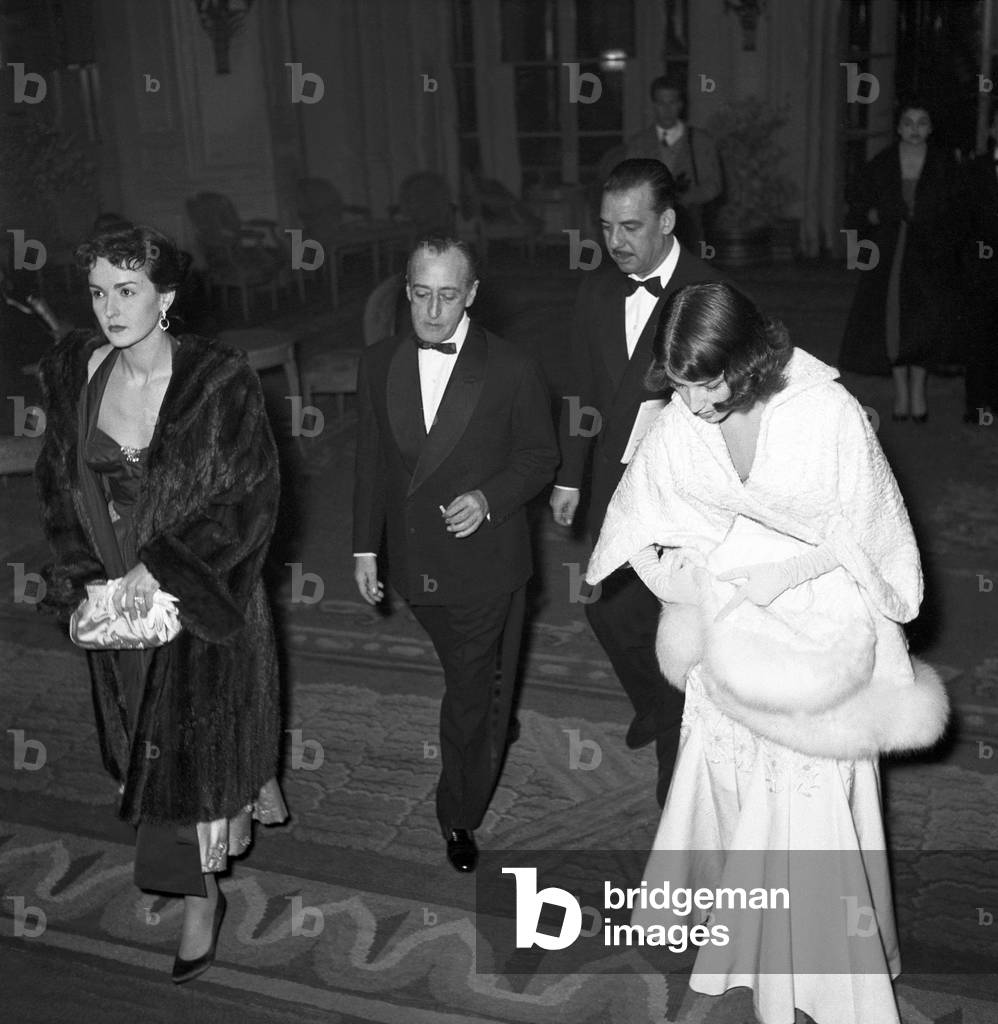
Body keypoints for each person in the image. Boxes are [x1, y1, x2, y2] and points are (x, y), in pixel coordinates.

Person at [586, 282, 948, 1024]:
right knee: (732, 783)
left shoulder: (828, 412)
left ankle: (816, 977)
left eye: (707, 384)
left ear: (747, 361)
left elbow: (872, 536)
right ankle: (737, 946)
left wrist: (789, 573)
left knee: (806, 801)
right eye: (679, 385)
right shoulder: (682, 416)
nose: (691, 403)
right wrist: (685, 576)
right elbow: (640, 520)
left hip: (822, 629)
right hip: (733, 629)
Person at [34, 224, 287, 984]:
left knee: (188, 749)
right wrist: (83, 578)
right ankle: (187, 877)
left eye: (128, 291)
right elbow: (57, 489)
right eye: (98, 292)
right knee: (139, 738)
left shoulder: (218, 379)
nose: (109, 308)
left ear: (166, 297)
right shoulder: (81, 373)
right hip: (114, 593)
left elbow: (254, 495)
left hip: (203, 592)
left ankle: (200, 896)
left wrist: (166, 563)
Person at [352, 236, 558, 873]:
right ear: (404, 290)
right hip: (415, 562)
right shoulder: (380, 360)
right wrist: (365, 547)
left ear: (472, 295)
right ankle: (493, 722)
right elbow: (373, 462)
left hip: (484, 563)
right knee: (479, 681)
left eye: (448, 296)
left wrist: (491, 498)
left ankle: (459, 813)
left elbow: (540, 456)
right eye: (421, 294)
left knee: (467, 693)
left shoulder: (512, 367)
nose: (433, 312)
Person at [549, 158, 722, 806]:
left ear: (667, 221)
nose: (615, 242)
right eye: (605, 226)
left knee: (678, 627)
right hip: (613, 487)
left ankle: (679, 762)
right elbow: (580, 390)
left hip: (686, 494)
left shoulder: (709, 293)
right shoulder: (597, 292)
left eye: (630, 227)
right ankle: (657, 705)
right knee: (609, 615)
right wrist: (569, 477)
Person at [838, 99, 963, 422]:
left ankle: (918, 395)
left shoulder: (944, 164)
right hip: (889, 254)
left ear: (931, 128)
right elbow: (857, 201)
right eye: (909, 122)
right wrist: (873, 216)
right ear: (898, 127)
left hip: (930, 255)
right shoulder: (881, 162)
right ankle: (901, 393)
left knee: (924, 321)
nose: (915, 129)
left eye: (922, 123)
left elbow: (958, 209)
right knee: (892, 320)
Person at [624, 76, 722, 252]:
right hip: (649, 229)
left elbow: (713, 184)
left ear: (681, 105)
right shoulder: (639, 144)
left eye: (672, 102)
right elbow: (629, 186)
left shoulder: (701, 142)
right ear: (653, 105)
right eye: (661, 103)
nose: (667, 110)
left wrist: (685, 199)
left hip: (691, 227)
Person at [959, 102, 998, 425]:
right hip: (983, 270)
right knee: (979, 337)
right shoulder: (975, 170)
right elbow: (963, 222)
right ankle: (977, 404)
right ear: (993, 130)